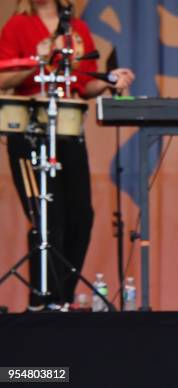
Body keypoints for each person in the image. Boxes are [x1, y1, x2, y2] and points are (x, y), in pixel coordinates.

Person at [0, 0, 134, 311]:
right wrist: (39, 60)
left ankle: (62, 299)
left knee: (81, 217)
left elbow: (84, 85)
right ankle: (41, 301)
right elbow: (3, 78)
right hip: (29, 133)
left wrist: (110, 79)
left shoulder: (77, 30)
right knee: (47, 219)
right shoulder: (17, 27)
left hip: (69, 131)